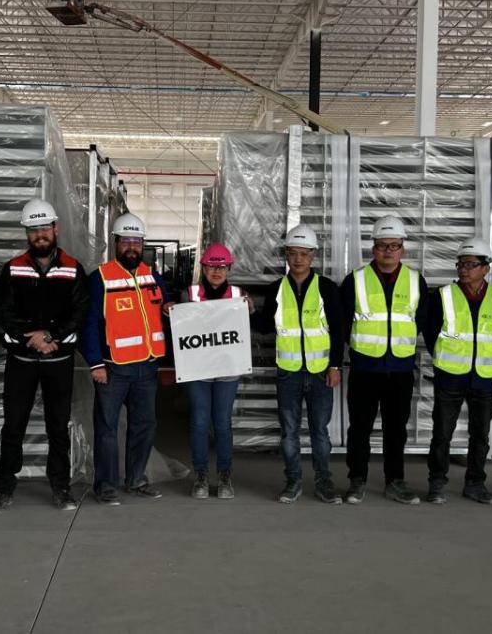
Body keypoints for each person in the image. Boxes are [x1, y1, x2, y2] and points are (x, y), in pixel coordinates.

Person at [0, 199, 88, 513]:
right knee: (13, 426)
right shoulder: (14, 267)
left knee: (58, 427)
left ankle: (61, 488)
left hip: (59, 362)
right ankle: (3, 488)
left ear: (55, 229)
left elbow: (80, 311)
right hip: (22, 363)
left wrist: (51, 336)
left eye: (44, 228)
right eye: (33, 230)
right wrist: (31, 339)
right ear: (27, 233)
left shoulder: (73, 268)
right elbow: (2, 311)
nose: (40, 235)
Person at [82, 213, 174, 505]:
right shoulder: (100, 278)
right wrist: (95, 362)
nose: (132, 247)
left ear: (143, 244)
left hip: (147, 368)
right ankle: (105, 486)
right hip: (113, 369)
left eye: (137, 241)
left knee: (144, 426)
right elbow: (88, 323)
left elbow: (165, 314)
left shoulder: (153, 276)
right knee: (107, 429)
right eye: (126, 241)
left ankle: (136, 480)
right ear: (116, 243)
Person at [251, 224, 345, 505]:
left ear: (313, 256)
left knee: (320, 433)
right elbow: (267, 327)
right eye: (293, 253)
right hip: (289, 373)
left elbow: (338, 330)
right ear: (286, 256)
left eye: (303, 254)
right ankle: (293, 481)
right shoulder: (276, 290)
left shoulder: (327, 288)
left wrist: (335, 366)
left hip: (320, 373)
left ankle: (324, 482)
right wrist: (247, 311)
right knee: (289, 433)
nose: (298, 259)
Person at [339, 216, 428, 505]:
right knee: (360, 427)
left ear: (403, 249)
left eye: (394, 246)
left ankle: (395, 481)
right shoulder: (355, 281)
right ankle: (356, 481)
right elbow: (340, 324)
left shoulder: (416, 281)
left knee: (396, 430)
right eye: (382, 246)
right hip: (365, 368)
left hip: (400, 369)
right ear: (372, 249)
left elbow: (427, 321)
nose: (388, 251)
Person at [422, 238, 492, 505]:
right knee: (442, 434)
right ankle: (436, 484)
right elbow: (430, 333)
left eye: (471, 265)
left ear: (486, 268)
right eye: (461, 264)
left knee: (480, 436)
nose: (464, 270)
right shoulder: (442, 296)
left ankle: (475, 483)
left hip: (484, 378)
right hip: (450, 375)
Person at [180, 242, 251, 500]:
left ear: (229, 268)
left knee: (222, 422)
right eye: (211, 266)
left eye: (221, 267)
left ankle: (224, 475)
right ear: (203, 267)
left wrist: (249, 310)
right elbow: (181, 326)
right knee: (199, 421)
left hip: (227, 369)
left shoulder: (238, 294)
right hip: (198, 369)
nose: (217, 271)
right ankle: (200, 475)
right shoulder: (190, 293)